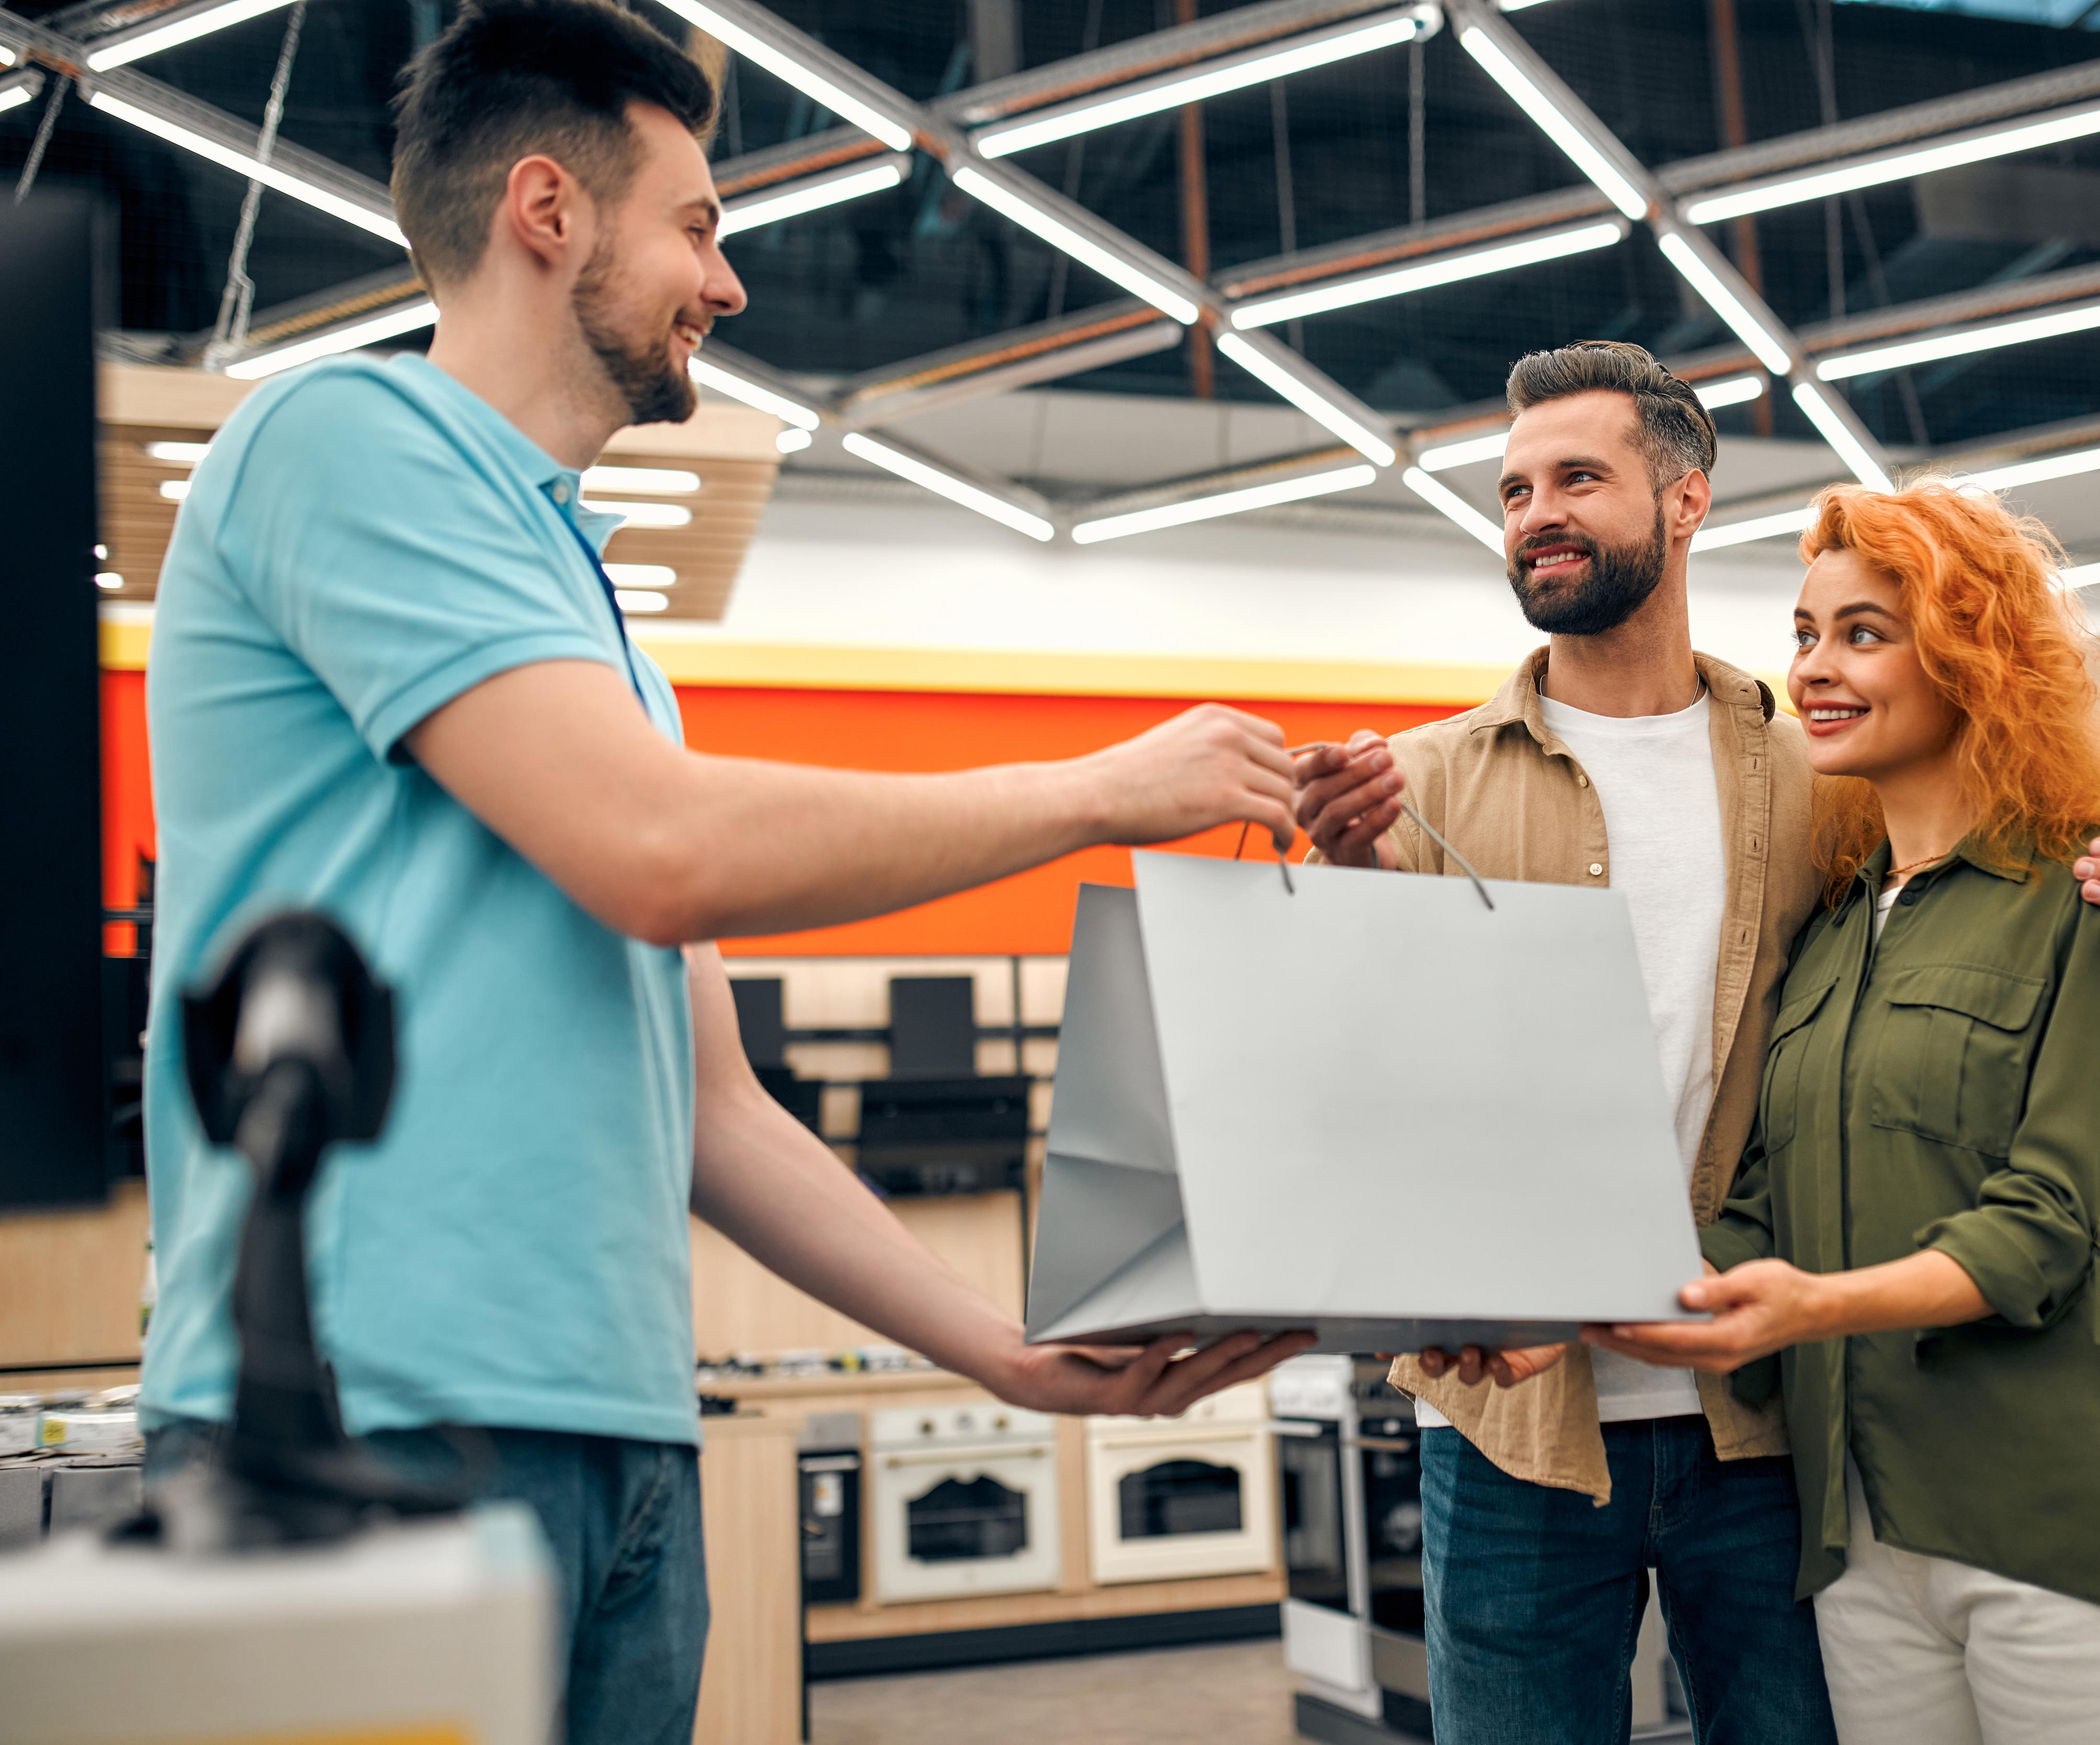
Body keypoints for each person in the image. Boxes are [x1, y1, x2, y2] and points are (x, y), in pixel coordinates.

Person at [139, 4, 1306, 1738]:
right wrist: (1096, 791)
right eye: (697, 224)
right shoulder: (345, 443)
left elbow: (716, 1108)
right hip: (366, 1417)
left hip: (615, 1438)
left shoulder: (596, 632)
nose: (731, 283)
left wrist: (996, 1346)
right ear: (549, 209)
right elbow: (660, 850)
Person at [1293, 341, 2100, 1745]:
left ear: (1684, 501)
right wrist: (1346, 884)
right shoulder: (1419, 783)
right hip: (1516, 1425)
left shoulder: (1819, 776)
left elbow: (1986, 978)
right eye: (1511, 491)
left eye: (1578, 478)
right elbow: (1363, 1079)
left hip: (1775, 1425)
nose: (1535, 511)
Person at [1593, 481, 2100, 1743]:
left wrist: (1813, 1305)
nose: (1813, 668)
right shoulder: (1833, 928)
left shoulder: (2096, 881)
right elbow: (1761, 1201)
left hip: (2054, 1521)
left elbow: (2051, 1221)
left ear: (1970, 656)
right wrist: (1576, 1299)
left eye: (1863, 634)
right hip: (1858, 1531)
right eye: (1806, 631)